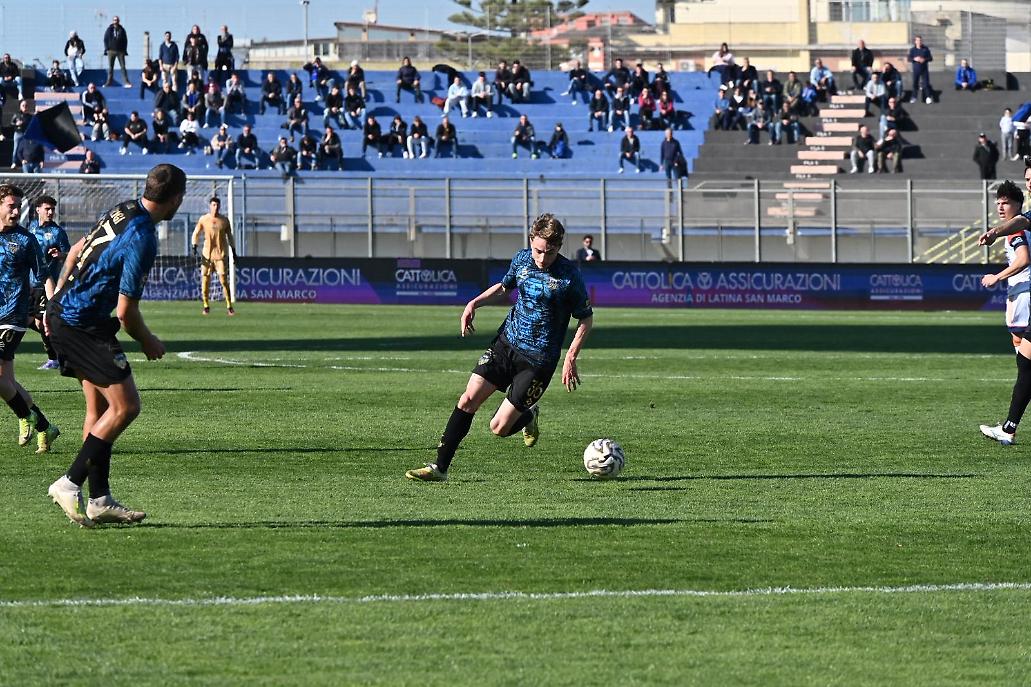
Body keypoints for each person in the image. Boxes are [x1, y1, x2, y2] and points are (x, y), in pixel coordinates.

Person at [405, 213, 593, 482]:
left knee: (499, 428)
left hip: (538, 360)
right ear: (531, 241)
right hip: (506, 343)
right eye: (538, 251)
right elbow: (504, 288)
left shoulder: (569, 276)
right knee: (468, 399)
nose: (542, 258)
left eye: (549, 253)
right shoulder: (522, 259)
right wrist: (474, 303)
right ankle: (439, 468)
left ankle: (528, 414)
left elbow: (585, 318)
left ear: (559, 248)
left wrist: (571, 357)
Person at [46, 164, 183, 527]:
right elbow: (125, 312)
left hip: (64, 314)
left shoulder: (124, 208)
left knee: (99, 409)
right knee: (127, 406)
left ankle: (99, 500)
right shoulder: (144, 236)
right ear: (177, 199)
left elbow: (75, 250)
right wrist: (148, 341)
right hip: (83, 324)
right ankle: (69, 482)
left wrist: (56, 299)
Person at [0, 184, 58, 456]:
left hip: (13, 315)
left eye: (18, 206)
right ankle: (44, 426)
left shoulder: (26, 239)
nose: (16, 211)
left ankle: (26, 416)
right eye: (11, 206)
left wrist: (49, 309)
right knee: (6, 382)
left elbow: (43, 274)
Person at [980, 181, 1030, 353]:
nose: (1001, 208)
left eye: (1006, 203)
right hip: (1023, 290)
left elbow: (1023, 259)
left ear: (1018, 204)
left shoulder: (1016, 231)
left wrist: (996, 277)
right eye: (998, 203)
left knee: (1020, 339)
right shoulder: (1023, 228)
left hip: (1024, 291)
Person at [27, 195, 70, 370]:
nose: (51, 212)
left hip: (46, 284)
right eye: (47, 209)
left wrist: (60, 255)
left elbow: (70, 256)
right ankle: (61, 338)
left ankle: (55, 358)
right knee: (28, 320)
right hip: (29, 284)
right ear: (38, 209)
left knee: (41, 321)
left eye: (52, 209)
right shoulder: (30, 227)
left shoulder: (57, 232)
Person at [191, 195, 235, 315]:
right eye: (214, 205)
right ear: (210, 206)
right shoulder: (204, 219)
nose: (216, 207)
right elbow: (196, 232)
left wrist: (233, 251)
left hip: (220, 255)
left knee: (223, 281)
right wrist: (194, 246)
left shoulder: (224, 220)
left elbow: (230, 236)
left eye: (217, 205)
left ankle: (229, 305)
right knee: (205, 280)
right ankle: (206, 305)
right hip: (207, 255)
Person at [908, 35, 934, 104]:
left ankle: (928, 97)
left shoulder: (925, 49)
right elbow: (909, 58)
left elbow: (930, 58)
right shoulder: (912, 50)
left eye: (920, 40)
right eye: (917, 40)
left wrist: (924, 59)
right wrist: (915, 59)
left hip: (924, 69)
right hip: (916, 70)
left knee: (926, 83)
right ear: (915, 41)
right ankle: (914, 97)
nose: (919, 42)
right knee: (915, 84)